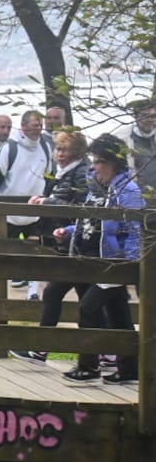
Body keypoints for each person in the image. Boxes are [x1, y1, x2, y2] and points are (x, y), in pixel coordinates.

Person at [57, 135, 144, 384]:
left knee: (88, 307)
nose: (94, 167)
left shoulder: (127, 191)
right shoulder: (108, 188)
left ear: (113, 163)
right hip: (107, 261)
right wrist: (71, 232)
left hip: (115, 264)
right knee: (119, 316)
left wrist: (128, 263)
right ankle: (129, 369)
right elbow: (96, 222)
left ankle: (89, 366)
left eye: (98, 162)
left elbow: (134, 229)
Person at [13, 130, 92, 363]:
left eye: (64, 149)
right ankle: (107, 352)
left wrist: (48, 202)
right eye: (57, 149)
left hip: (77, 244)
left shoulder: (81, 173)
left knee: (61, 294)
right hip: (65, 243)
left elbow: (81, 206)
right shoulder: (63, 173)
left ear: (77, 152)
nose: (59, 154)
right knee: (86, 299)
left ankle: (43, 350)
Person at [0, 109, 54, 298]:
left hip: (34, 209)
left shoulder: (45, 146)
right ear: (23, 127)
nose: (37, 131)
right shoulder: (9, 148)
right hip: (9, 212)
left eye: (40, 127)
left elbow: (47, 173)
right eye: (33, 127)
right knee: (0, 254)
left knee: (34, 252)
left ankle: (33, 292)